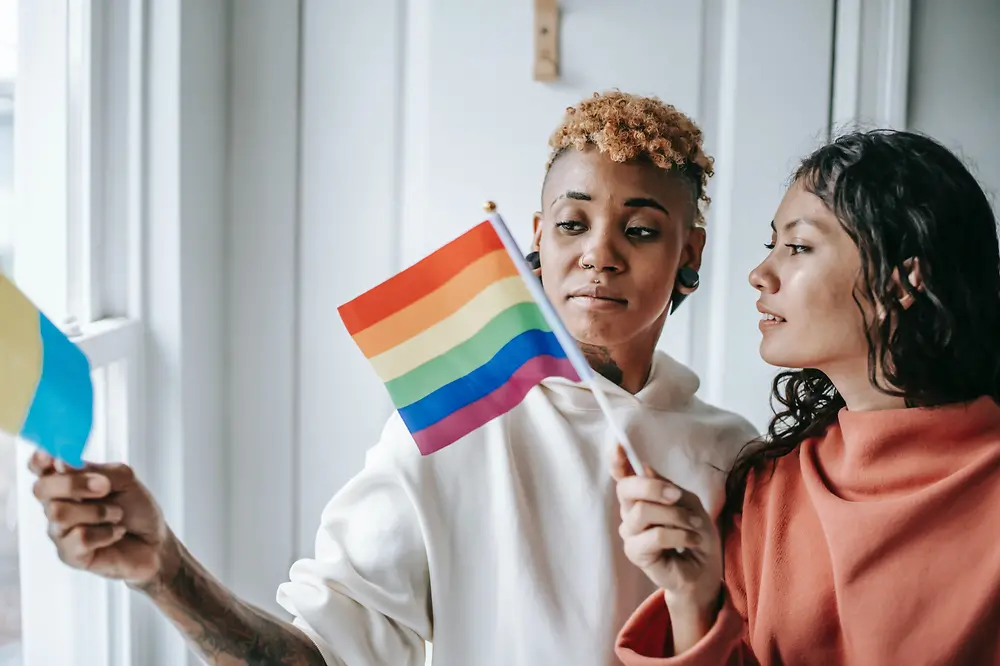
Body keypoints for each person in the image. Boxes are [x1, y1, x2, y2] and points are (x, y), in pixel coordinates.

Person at [28, 91, 758, 666]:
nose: (599, 255)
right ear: (535, 239)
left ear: (688, 252)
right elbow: (317, 656)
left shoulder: (735, 455)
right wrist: (165, 570)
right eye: (572, 224)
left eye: (639, 230)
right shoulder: (456, 425)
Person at [612, 129, 1000, 665]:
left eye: (797, 246)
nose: (759, 274)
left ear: (902, 282)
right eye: (771, 245)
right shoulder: (767, 490)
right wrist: (690, 595)